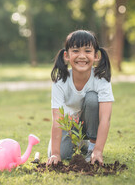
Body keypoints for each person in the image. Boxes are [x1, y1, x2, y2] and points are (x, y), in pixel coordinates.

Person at [47, 30, 114, 166]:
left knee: (92, 99)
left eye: (87, 51)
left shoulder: (101, 79)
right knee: (63, 154)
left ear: (96, 56)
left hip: (89, 124)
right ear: (66, 55)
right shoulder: (60, 81)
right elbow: (57, 119)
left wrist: (98, 150)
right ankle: (81, 143)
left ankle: (91, 146)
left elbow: (105, 118)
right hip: (69, 126)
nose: (82, 56)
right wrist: (55, 153)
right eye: (76, 51)